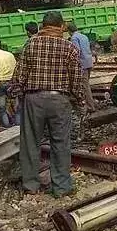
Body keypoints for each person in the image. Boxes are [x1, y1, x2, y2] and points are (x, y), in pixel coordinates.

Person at [12, 12, 83, 198]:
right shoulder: (69, 48)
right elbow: (76, 80)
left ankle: (30, 186)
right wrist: (79, 100)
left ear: (42, 26)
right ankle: (61, 187)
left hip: (33, 99)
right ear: (60, 26)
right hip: (60, 100)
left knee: (30, 143)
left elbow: (19, 75)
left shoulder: (30, 45)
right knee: (60, 144)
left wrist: (15, 95)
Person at [67, 23, 96, 113]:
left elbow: (77, 51)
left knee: (85, 86)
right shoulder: (84, 36)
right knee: (86, 84)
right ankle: (89, 104)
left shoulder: (74, 38)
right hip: (89, 62)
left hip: (82, 64)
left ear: (69, 31)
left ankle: (90, 107)